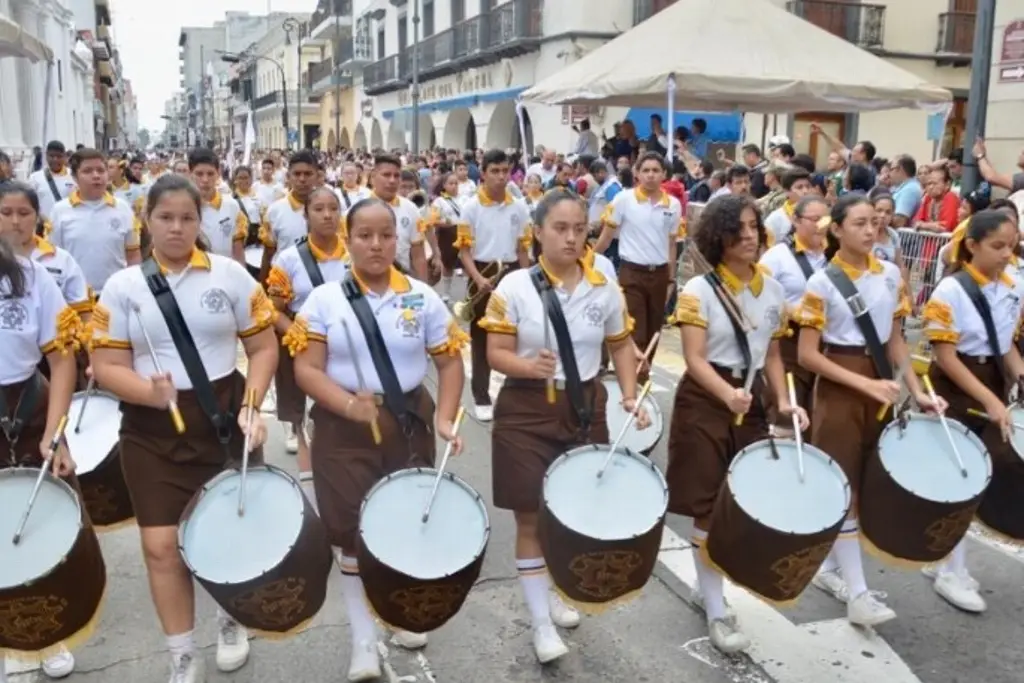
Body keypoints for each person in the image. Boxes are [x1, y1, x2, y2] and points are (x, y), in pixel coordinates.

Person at [88, 174, 278, 683]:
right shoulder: (122, 287)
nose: (177, 228)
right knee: (161, 546)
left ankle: (230, 618)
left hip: (223, 418)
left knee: (227, 532)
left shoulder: (231, 276)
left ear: (200, 220)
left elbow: (262, 348)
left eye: (187, 218)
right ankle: (181, 654)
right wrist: (146, 391)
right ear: (146, 221)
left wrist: (253, 407)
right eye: (165, 218)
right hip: (152, 429)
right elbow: (105, 364)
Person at [287, 197, 466, 681]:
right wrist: (347, 405)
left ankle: (401, 610)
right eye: (365, 234)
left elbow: (449, 362)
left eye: (386, 234)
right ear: (349, 239)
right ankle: (363, 640)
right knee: (349, 532)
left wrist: (446, 417)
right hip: (341, 427)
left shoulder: (422, 297)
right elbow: (306, 368)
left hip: (407, 421)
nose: (377, 244)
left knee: (405, 521)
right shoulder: (324, 301)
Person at [480, 190, 649, 664]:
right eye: (561, 228)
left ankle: (553, 589)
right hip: (526, 410)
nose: (572, 237)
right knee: (531, 514)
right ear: (538, 231)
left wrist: (631, 396)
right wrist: (526, 366)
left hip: (584, 406)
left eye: (580, 228)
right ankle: (539, 622)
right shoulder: (514, 287)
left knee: (570, 510)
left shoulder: (604, 286)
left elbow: (620, 345)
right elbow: (496, 352)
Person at [796, 193, 944, 629]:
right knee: (845, 485)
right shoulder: (822, 283)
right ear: (836, 229)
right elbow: (807, 355)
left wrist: (916, 390)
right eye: (859, 223)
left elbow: (897, 339)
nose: (870, 229)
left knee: (869, 479)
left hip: (880, 381)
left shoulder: (891, 275)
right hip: (842, 384)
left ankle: (834, 567)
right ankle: (858, 594)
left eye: (874, 222)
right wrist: (864, 383)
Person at [668, 194, 806, 654]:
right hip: (706, 402)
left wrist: (783, 401)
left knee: (742, 498)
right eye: (738, 229)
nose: (749, 236)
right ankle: (715, 607)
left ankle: (708, 586)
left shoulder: (772, 289)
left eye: (754, 227)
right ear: (718, 237)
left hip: (751, 404)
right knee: (708, 503)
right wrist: (726, 393)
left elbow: (771, 352)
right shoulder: (699, 291)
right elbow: (693, 358)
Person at [0, 187, 85, 679]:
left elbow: (60, 358)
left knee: (42, 523)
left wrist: (55, 432)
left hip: (28, 404)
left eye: (21, 213)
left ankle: (50, 633)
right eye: (3, 213)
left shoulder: (36, 278)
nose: (12, 222)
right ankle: (11, 637)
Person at [921, 209, 1024, 614]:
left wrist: (1018, 373)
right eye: (997, 246)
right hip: (958, 387)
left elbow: (1005, 345)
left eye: (1011, 245)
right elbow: (946, 357)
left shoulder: (1013, 286)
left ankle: (947, 559)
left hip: (992, 381)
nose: (1006, 254)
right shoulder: (950, 292)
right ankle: (951, 569)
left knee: (983, 474)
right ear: (973, 245)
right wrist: (990, 400)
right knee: (961, 475)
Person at [266, 187, 349, 507]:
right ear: (306, 216)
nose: (327, 215)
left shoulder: (353, 252)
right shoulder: (288, 259)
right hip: (303, 341)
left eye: (333, 208)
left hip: (345, 342)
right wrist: (297, 332)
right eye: (319, 209)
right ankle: (312, 494)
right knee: (305, 418)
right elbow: (272, 309)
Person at [593, 151, 684, 385]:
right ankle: (632, 381)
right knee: (635, 329)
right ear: (637, 173)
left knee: (655, 328)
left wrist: (671, 281)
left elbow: (672, 244)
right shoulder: (624, 200)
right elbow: (606, 237)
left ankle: (641, 378)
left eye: (656, 171)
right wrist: (587, 261)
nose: (651, 175)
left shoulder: (673, 205)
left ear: (664, 174)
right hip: (631, 272)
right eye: (646, 170)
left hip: (660, 274)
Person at [455, 149, 532, 421]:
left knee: (518, 334)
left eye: (505, 171)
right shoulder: (471, 207)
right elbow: (464, 251)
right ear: (484, 173)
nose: (501, 177)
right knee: (481, 337)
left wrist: (527, 280)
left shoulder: (519, 207)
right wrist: (478, 279)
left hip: (510, 272)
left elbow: (523, 248)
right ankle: (481, 396)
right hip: (482, 273)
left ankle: (518, 394)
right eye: (495, 171)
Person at [758, 195, 830, 433]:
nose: (822, 225)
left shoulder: (834, 256)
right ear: (796, 220)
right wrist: (793, 310)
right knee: (788, 413)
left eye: (826, 219)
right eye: (814, 219)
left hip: (826, 343)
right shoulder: (777, 257)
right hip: (789, 341)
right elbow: (760, 296)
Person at [48, 148, 141, 296]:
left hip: (115, 296)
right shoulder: (60, 211)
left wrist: (133, 289)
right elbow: (52, 258)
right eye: (87, 171)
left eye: (100, 170)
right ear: (74, 177)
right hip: (75, 298)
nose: (96, 176)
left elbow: (133, 255)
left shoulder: (122, 208)